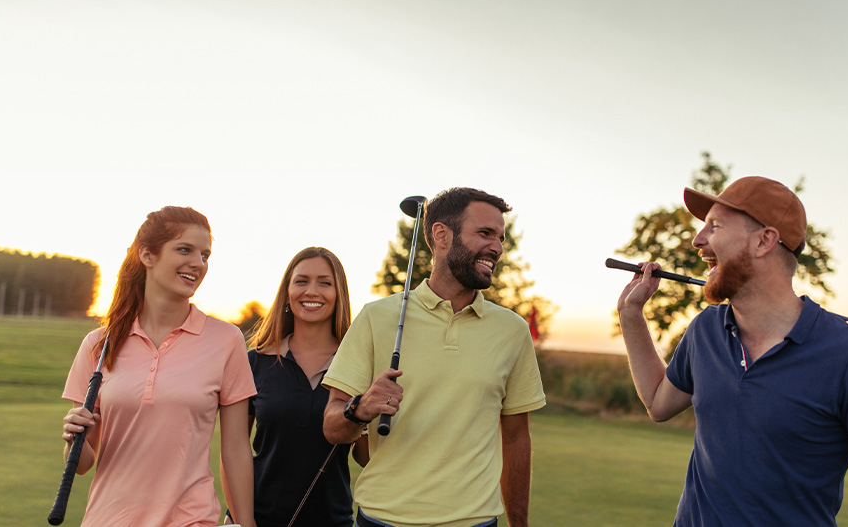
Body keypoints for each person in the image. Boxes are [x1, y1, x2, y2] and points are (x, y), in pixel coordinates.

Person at [617, 176, 848, 526]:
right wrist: (631, 316)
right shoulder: (705, 330)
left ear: (765, 240)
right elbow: (658, 403)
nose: (698, 240)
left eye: (715, 226)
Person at [323, 187, 546, 527]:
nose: (497, 248)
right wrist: (361, 408)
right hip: (382, 519)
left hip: (475, 521)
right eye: (485, 233)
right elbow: (332, 426)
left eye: (501, 238)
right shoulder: (376, 317)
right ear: (441, 235)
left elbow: (516, 437)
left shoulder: (512, 331)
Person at [61, 205, 256, 527]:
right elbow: (82, 464)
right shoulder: (98, 344)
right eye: (184, 249)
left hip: (191, 519)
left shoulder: (226, 339)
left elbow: (235, 449)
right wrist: (72, 439)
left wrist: (246, 523)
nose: (198, 263)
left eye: (205, 255)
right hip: (108, 519)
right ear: (148, 256)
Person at [221, 247, 368, 526]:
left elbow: (365, 457)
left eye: (325, 283)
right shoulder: (254, 362)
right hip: (259, 519)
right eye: (301, 281)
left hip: (333, 520)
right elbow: (233, 448)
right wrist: (243, 521)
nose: (312, 291)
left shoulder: (359, 366)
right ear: (287, 293)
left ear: (339, 295)